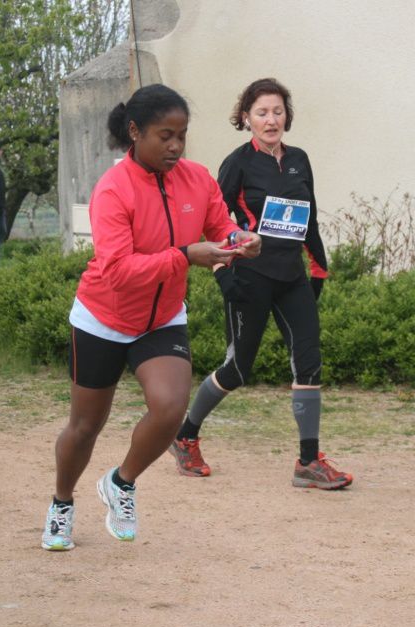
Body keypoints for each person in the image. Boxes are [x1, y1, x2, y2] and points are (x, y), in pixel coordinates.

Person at [41, 84, 261, 551]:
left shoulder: (197, 179)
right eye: (166, 135)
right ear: (135, 132)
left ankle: (121, 483)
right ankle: (61, 504)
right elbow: (119, 272)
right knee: (85, 428)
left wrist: (241, 238)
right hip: (103, 317)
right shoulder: (112, 191)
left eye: (182, 135)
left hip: (161, 317)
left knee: (169, 407)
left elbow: (220, 225)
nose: (176, 147)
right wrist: (185, 256)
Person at [169, 78, 353, 490]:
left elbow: (310, 219)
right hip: (249, 278)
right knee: (237, 369)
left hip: (292, 277)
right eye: (261, 112)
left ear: (287, 115)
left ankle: (308, 462)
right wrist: (223, 275)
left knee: (309, 362)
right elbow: (211, 222)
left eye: (278, 111)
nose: (271, 120)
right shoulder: (237, 163)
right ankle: (185, 435)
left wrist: (319, 269)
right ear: (245, 118)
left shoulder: (299, 159)